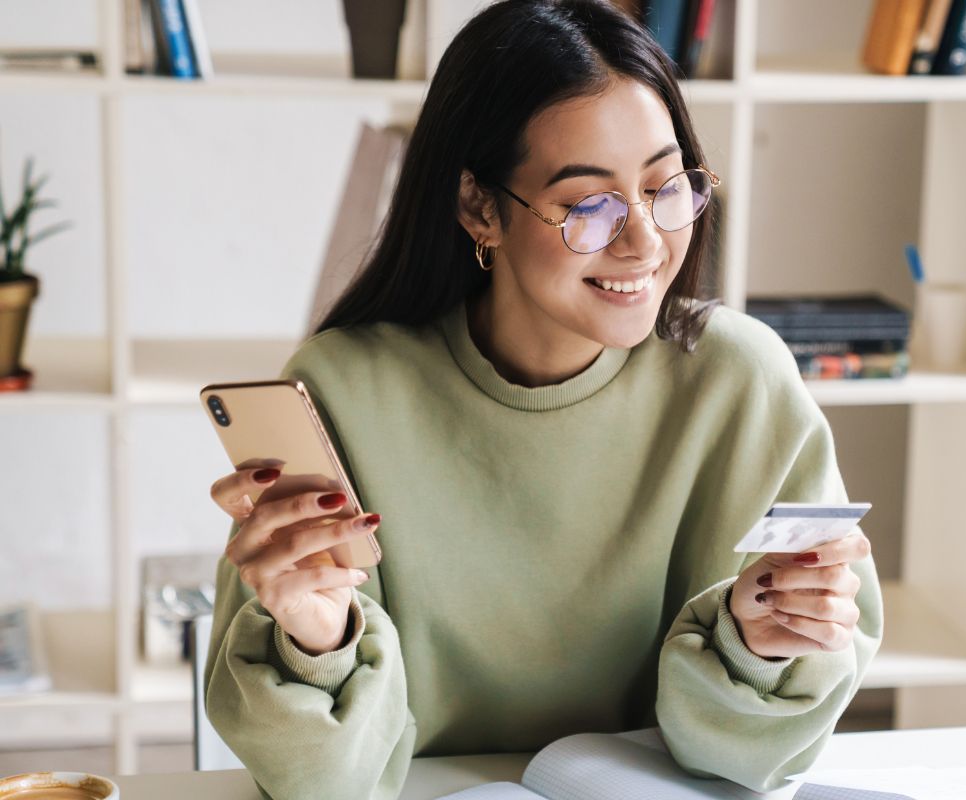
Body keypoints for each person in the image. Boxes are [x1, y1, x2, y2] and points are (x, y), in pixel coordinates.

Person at [203, 1, 882, 798]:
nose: (645, 242)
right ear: (479, 207)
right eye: (589, 206)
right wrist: (316, 640)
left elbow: (755, 762)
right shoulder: (345, 388)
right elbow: (324, 784)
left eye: (667, 188)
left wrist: (763, 644)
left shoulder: (739, 381)